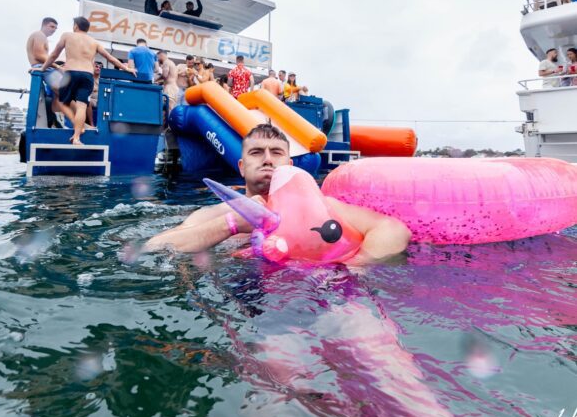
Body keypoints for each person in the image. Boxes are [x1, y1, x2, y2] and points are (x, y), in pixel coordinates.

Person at [146, 124, 411, 260]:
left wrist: (355, 267)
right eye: (256, 152)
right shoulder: (218, 213)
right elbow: (155, 247)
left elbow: (393, 230)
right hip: (240, 298)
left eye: (276, 153)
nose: (268, 159)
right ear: (241, 166)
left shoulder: (321, 208)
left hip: (317, 292)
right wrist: (230, 225)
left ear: (289, 164)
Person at [36, 17, 136, 145]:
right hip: (87, 76)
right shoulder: (94, 42)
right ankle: (77, 137)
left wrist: (42, 69)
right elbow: (110, 58)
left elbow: (54, 55)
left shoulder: (67, 36)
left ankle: (74, 125)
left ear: (76, 26)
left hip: (71, 73)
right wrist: (126, 68)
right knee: (81, 107)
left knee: (62, 102)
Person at [26, 16, 61, 127]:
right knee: (67, 91)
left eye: (55, 28)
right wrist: (57, 66)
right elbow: (39, 55)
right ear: (44, 25)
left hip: (43, 67)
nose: (53, 30)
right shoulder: (39, 35)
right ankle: (78, 123)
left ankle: (57, 120)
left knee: (60, 95)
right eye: (51, 26)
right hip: (42, 67)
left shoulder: (42, 37)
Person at [86, 61, 102, 127]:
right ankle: (92, 124)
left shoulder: (102, 79)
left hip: (101, 100)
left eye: (100, 67)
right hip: (91, 100)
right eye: (96, 66)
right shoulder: (88, 78)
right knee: (87, 100)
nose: (98, 68)